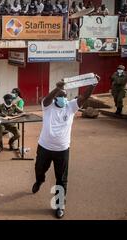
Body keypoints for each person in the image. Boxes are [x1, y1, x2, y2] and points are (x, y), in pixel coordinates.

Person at [32, 75, 100, 219]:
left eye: (65, 95)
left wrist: (93, 84)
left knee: (61, 179)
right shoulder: (48, 106)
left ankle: (59, 205)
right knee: (39, 169)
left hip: (62, 150)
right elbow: (47, 98)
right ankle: (39, 180)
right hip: (44, 147)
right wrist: (58, 87)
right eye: (60, 95)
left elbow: (84, 97)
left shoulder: (70, 107)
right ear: (56, 97)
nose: (63, 98)